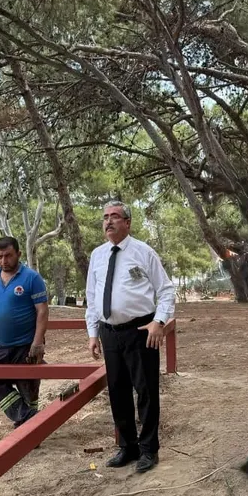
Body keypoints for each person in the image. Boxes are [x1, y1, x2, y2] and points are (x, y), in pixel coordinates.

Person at [85, 202, 175, 473]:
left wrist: (158, 322)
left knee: (146, 391)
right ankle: (128, 446)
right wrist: (93, 333)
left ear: (128, 222)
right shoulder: (97, 256)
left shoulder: (143, 252)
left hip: (140, 332)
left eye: (114, 216)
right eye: (105, 217)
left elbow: (167, 291)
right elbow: (91, 297)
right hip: (109, 333)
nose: (108, 222)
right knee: (118, 391)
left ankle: (149, 450)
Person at [0, 236, 49, 427]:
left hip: (26, 345)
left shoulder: (32, 278)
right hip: (1, 345)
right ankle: (28, 418)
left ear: (18, 254)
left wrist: (37, 343)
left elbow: (42, 310)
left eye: (8, 256)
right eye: (0, 256)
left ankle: (31, 431)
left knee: (27, 388)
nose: (4, 261)